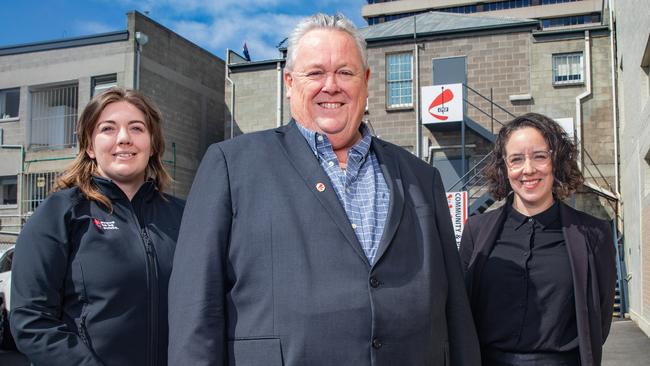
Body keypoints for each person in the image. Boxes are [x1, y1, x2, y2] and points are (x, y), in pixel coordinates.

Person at [168, 13, 480, 366]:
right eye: (315, 73)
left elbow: (455, 309)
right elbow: (196, 305)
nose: (331, 85)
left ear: (365, 81)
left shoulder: (421, 177)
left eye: (345, 72)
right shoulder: (230, 165)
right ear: (289, 82)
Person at [10, 88, 184, 366]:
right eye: (108, 129)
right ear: (90, 146)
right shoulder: (60, 212)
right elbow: (31, 320)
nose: (124, 138)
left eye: (137, 128)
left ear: (152, 144)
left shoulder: (184, 216)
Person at [459, 112, 617, 366]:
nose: (528, 169)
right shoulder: (476, 230)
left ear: (557, 161)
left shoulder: (594, 234)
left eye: (540, 156)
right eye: (516, 159)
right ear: (505, 167)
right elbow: (462, 310)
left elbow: (599, 321)